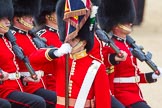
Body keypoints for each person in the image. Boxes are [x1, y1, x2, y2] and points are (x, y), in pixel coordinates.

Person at [97, 0, 162, 108]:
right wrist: (113, 58)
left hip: (135, 96)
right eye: (125, 22)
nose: (130, 23)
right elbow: (103, 65)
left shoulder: (128, 45)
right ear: (115, 25)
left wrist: (152, 75)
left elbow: (134, 77)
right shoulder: (111, 46)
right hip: (123, 97)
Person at [11, 0, 71, 107]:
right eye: (28, 17)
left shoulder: (32, 36)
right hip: (29, 86)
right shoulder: (13, 38)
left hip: (42, 83)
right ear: (17, 19)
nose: (32, 19)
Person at [55, 0, 111, 107]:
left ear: (83, 42)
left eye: (73, 40)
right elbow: (35, 60)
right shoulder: (61, 60)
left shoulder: (96, 67)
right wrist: (56, 52)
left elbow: (103, 102)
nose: (69, 43)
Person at [0, 0, 46, 107]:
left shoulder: (7, 40)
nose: (8, 22)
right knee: (38, 102)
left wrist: (24, 78)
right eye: (3, 19)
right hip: (4, 89)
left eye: (8, 18)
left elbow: (17, 68)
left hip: (18, 86)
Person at [34, 0, 63, 91]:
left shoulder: (64, 33)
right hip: (52, 82)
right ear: (48, 16)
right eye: (57, 12)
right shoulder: (41, 35)